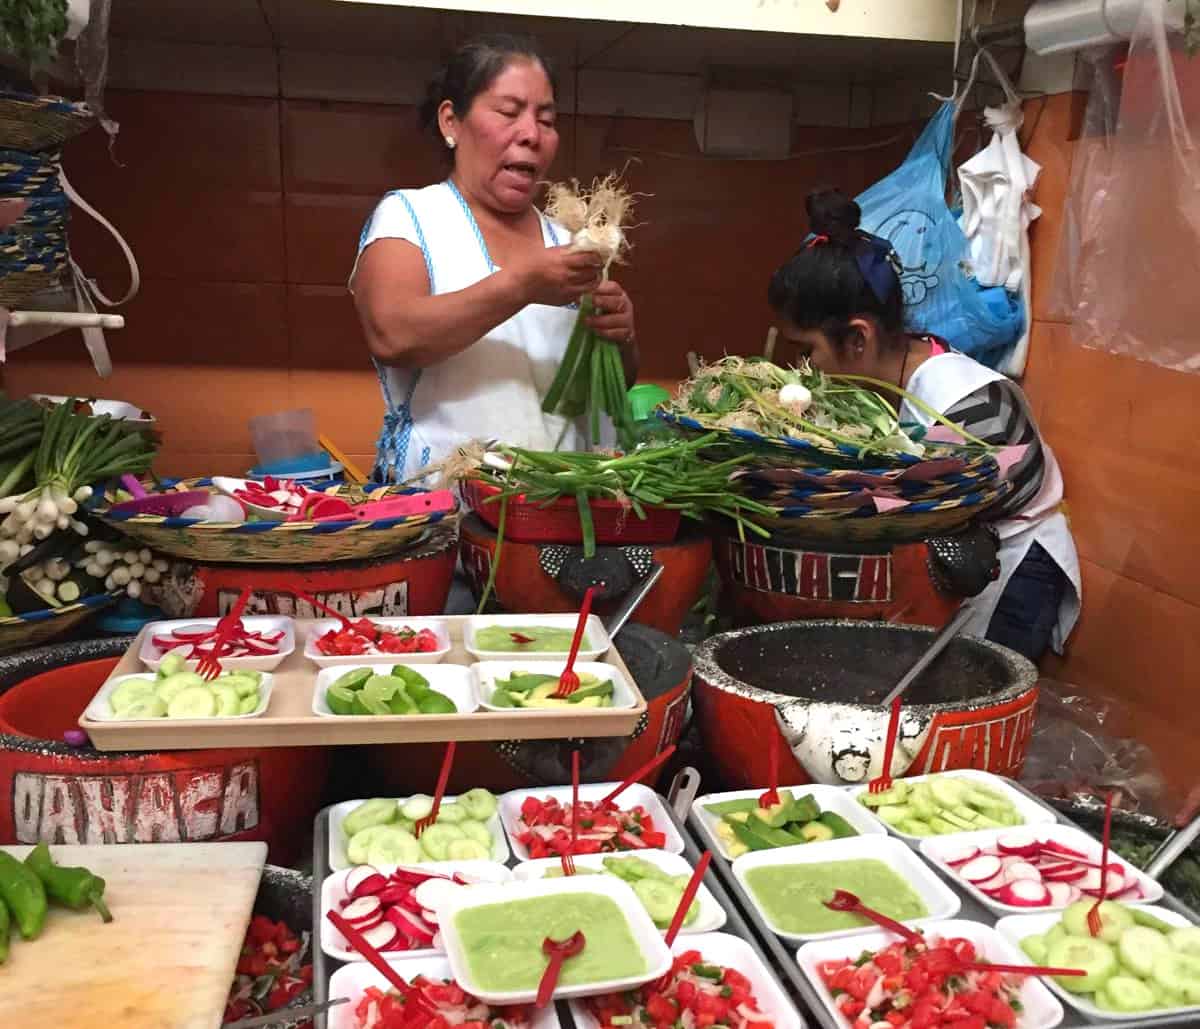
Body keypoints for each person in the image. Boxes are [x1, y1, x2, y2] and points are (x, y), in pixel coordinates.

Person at [766, 188, 1080, 662]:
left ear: (857, 338)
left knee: (972, 695)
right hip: (968, 552)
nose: (806, 369)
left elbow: (908, 500)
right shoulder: (901, 368)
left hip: (1016, 570)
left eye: (807, 349)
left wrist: (804, 495)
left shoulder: (969, 407)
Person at [350, 34, 638, 484]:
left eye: (547, 119)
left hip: (556, 505)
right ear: (452, 121)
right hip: (443, 507)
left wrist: (620, 338)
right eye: (508, 112)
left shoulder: (568, 241)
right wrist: (521, 284)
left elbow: (606, 390)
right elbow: (392, 335)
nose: (531, 134)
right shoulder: (410, 216)